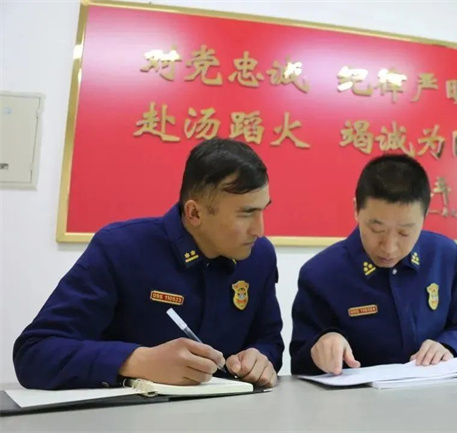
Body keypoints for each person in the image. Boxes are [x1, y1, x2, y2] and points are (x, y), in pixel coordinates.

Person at [14, 138, 283, 389]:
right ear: (194, 213)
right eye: (246, 214)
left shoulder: (259, 257)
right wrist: (136, 361)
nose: (259, 230)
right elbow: (34, 352)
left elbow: (268, 340)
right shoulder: (121, 248)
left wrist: (260, 358)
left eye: (263, 210)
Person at [290, 154, 457, 375]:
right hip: (358, 396)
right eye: (377, 230)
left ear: (425, 216)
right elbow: (300, 360)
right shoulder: (320, 274)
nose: (389, 248)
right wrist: (322, 347)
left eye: (404, 232)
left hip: (435, 391)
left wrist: (447, 345)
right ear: (356, 210)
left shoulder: (444, 256)